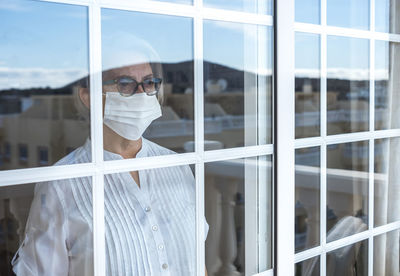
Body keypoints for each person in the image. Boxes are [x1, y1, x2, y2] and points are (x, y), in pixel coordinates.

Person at [11, 35, 208, 276]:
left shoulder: (177, 167)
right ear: (89, 97)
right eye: (125, 84)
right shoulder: (59, 187)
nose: (141, 93)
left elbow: (199, 263)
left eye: (148, 82)